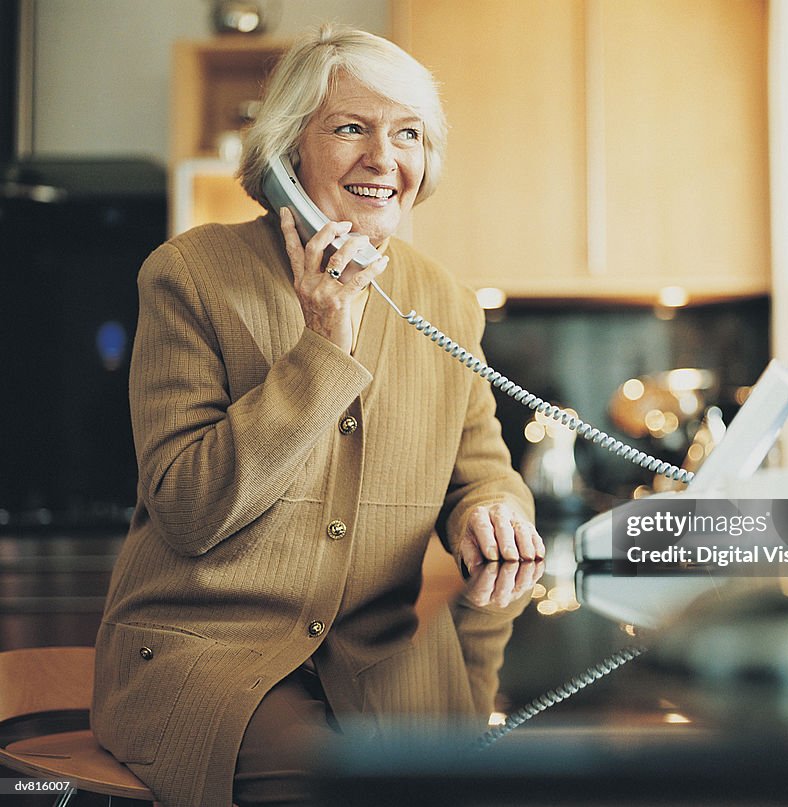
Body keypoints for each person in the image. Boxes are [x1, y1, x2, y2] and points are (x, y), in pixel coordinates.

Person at [92, 24, 544, 807]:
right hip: (209, 661)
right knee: (330, 788)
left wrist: (492, 508)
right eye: (350, 128)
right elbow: (191, 507)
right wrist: (323, 345)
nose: (383, 158)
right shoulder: (191, 275)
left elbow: (483, 468)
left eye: (408, 134)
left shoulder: (444, 301)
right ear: (286, 152)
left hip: (383, 664)